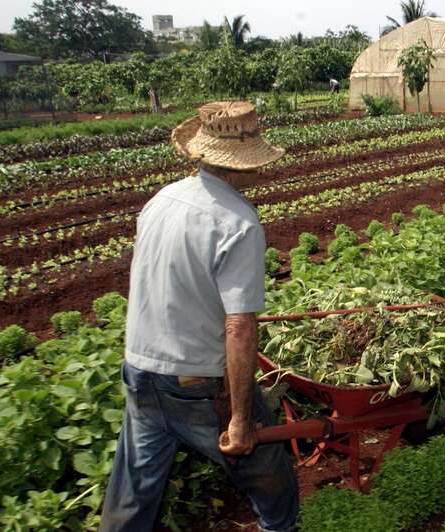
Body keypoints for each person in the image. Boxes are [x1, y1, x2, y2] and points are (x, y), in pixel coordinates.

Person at [100, 101, 299, 532]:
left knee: (135, 491)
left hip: (139, 369)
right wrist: (241, 419)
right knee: (272, 478)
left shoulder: (160, 199)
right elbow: (239, 326)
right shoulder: (239, 222)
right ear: (244, 164)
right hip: (195, 386)